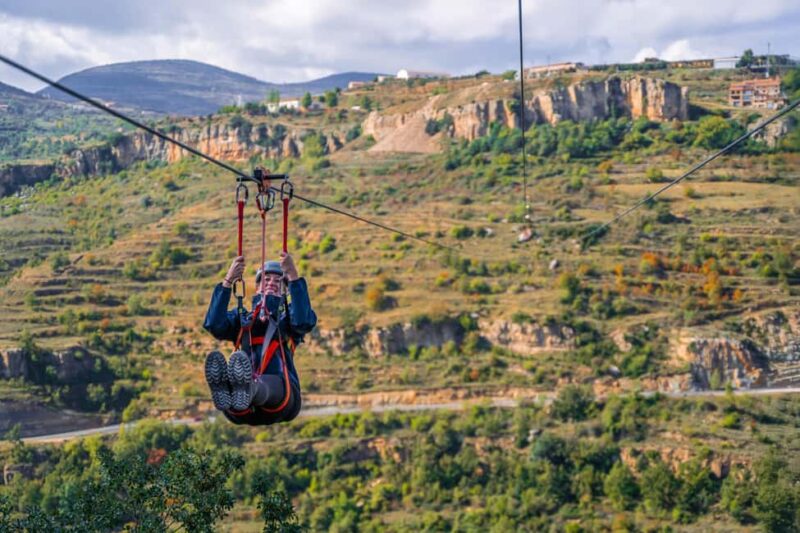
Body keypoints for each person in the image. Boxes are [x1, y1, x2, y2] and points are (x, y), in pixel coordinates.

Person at [203, 252, 316, 425]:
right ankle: (228, 390)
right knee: (240, 391)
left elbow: (304, 321)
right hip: (239, 410)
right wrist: (227, 281)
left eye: (278, 282)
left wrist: (293, 276)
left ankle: (247, 388)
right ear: (257, 287)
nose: (271, 283)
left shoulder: (289, 318)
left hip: (281, 396)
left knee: (259, 383)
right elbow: (214, 324)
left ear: (285, 290)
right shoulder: (242, 318)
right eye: (266, 280)